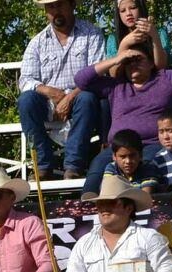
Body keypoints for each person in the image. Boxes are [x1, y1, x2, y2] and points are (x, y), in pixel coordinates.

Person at [75, 44, 172, 194]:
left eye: (138, 60)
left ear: (150, 63)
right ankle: (86, 208)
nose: (133, 65)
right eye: (128, 62)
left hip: (152, 144)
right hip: (118, 146)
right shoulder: (116, 85)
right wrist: (117, 59)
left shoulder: (166, 77)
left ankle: (145, 208)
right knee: (97, 166)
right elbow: (81, 80)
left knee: (146, 168)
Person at [19, 0, 105, 180]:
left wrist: (69, 97)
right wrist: (50, 91)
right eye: (50, 7)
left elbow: (97, 73)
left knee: (88, 98)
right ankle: (42, 165)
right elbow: (26, 80)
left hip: (80, 98)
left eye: (59, 5)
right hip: (48, 103)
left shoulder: (92, 34)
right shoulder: (37, 42)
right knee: (26, 100)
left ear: (72, 5)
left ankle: (74, 166)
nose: (55, 11)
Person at [104, 0, 170, 69]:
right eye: (123, 10)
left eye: (133, 8)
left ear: (141, 8)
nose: (128, 13)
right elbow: (114, 73)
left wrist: (154, 36)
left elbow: (162, 67)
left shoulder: (159, 33)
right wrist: (124, 44)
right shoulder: (113, 38)